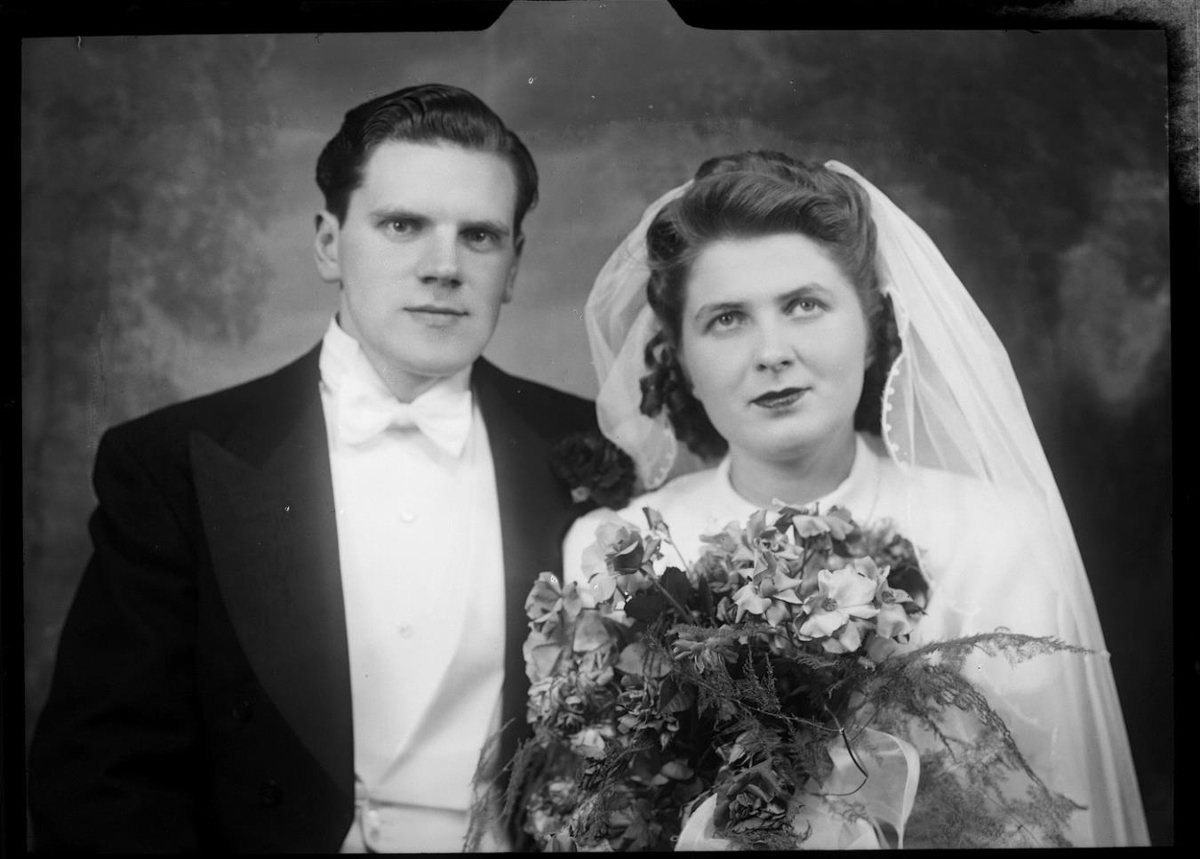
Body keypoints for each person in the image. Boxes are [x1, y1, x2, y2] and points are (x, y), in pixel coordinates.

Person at [29, 83, 597, 852]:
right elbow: (100, 778)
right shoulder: (173, 462)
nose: (444, 266)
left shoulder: (590, 450)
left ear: (515, 263)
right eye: (403, 225)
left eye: (480, 236)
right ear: (329, 242)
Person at [562, 151, 1151, 846]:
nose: (772, 351)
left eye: (804, 305)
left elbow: (1057, 806)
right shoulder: (618, 549)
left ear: (872, 329)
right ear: (682, 360)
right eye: (726, 319)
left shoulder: (995, 532)